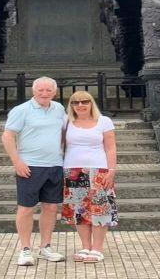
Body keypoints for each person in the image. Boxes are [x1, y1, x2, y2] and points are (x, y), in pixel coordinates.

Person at [1, 76, 66, 266]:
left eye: (49, 90)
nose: (44, 94)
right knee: (26, 208)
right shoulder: (21, 110)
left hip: (54, 165)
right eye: (40, 90)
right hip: (29, 166)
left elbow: (63, 132)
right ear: (33, 91)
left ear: (55, 92)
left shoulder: (59, 109)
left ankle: (45, 246)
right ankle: (25, 249)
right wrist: (17, 161)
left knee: (51, 207)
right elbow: (7, 136)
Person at [61, 90, 118, 263]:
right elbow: (59, 145)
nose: (80, 105)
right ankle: (85, 246)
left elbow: (110, 148)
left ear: (91, 102)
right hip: (72, 170)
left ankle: (97, 249)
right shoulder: (66, 122)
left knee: (100, 210)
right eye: (75, 102)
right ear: (71, 106)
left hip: (99, 170)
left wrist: (111, 171)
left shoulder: (104, 121)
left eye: (84, 101)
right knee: (79, 211)